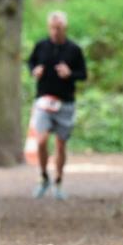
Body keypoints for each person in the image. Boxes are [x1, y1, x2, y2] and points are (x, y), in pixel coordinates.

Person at [26, 11, 87, 199]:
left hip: (65, 103)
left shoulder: (74, 50)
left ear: (65, 28)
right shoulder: (41, 46)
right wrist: (34, 70)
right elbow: (31, 62)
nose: (54, 31)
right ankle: (44, 177)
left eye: (58, 28)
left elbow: (83, 75)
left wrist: (70, 74)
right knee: (41, 140)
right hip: (43, 101)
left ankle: (58, 181)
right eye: (52, 28)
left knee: (61, 145)